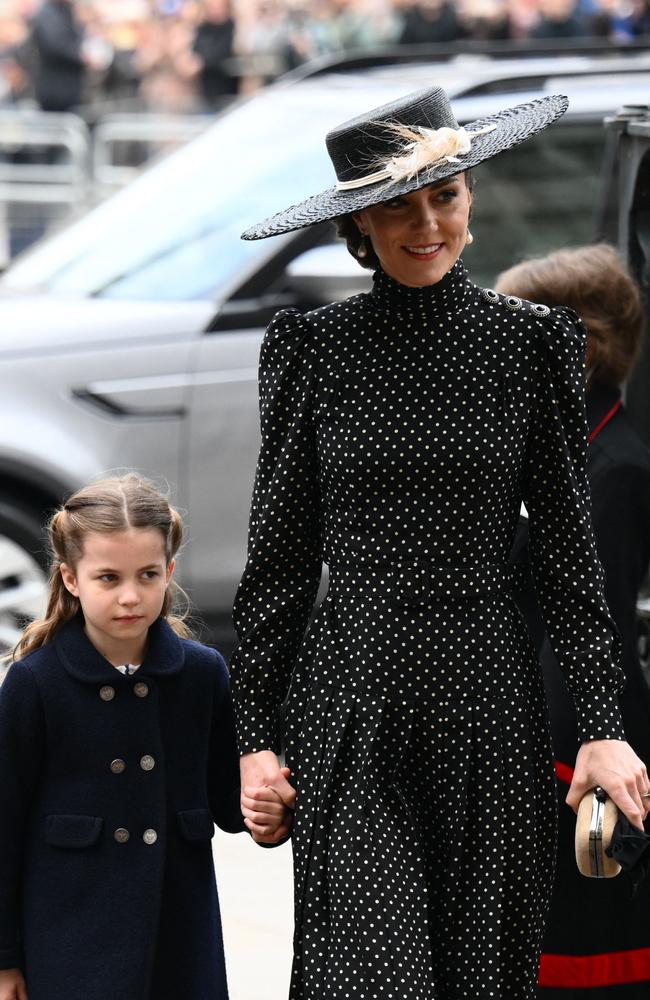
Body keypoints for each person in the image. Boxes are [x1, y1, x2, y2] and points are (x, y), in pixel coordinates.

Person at [230, 85, 650, 1000]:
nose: (427, 223)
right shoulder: (310, 348)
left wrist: (602, 730)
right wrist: (256, 739)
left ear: (470, 199)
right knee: (373, 979)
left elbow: (571, 556)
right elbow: (279, 563)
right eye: (398, 204)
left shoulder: (533, 343)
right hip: (356, 706)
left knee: (480, 982)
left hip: (492, 707)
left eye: (445, 196)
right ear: (360, 225)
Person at [0, 473, 289, 1000]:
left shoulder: (202, 675)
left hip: (179, 939)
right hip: (68, 944)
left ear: (169, 572)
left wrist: (265, 817)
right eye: (108, 578)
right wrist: (4, 961)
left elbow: (229, 800)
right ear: (70, 579)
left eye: (148, 575)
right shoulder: (35, 683)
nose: (131, 596)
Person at [497, 245, 650, 997]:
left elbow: (596, 630)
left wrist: (565, 761)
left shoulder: (613, 469)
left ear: (574, 347)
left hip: (573, 760)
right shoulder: (556, 450)